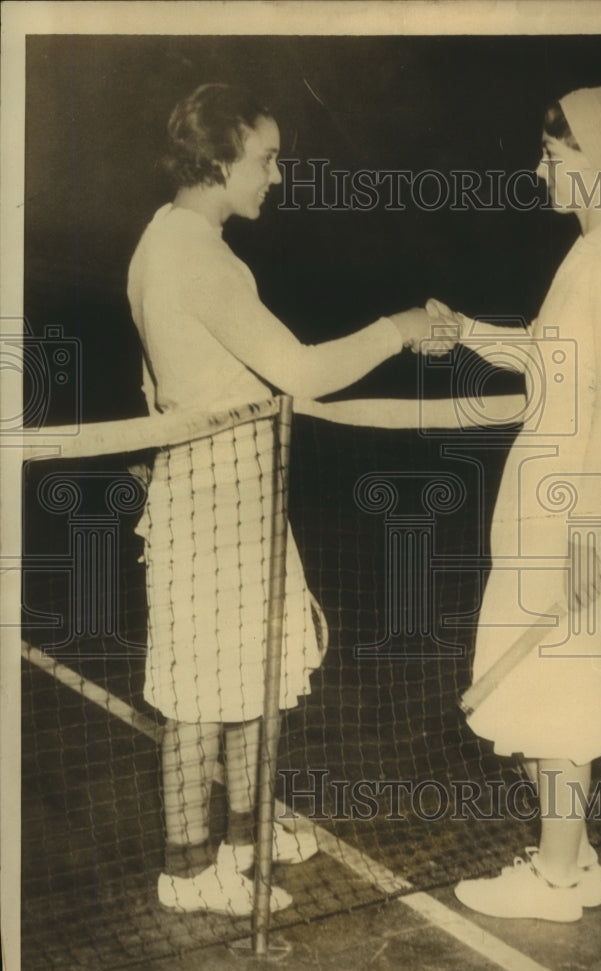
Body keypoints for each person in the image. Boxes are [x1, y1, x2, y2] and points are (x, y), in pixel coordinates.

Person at [128, 82, 442, 917]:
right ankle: (189, 872)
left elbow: (155, 378)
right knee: (201, 698)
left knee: (254, 677)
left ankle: (244, 838)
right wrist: (401, 327)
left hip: (232, 500)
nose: (275, 174)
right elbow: (299, 373)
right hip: (210, 506)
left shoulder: (165, 237)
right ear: (220, 157)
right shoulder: (195, 255)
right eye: (264, 158)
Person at [430, 87, 601, 922]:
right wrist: (466, 333)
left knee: (559, 696)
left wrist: (588, 533)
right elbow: (548, 357)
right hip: (544, 504)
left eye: (553, 157)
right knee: (528, 691)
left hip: (571, 513)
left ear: (598, 163)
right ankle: (575, 857)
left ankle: (556, 879)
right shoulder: (593, 252)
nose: (538, 170)